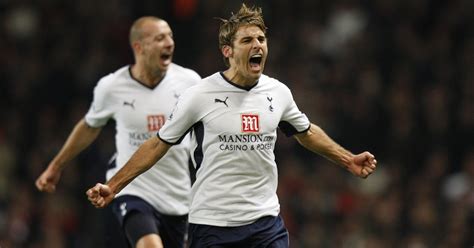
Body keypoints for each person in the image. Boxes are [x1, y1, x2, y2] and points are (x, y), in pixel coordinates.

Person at [86, 4, 377, 248]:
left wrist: (347, 159)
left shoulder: (278, 92)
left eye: (261, 39)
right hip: (214, 225)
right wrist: (114, 186)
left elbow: (307, 132)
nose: (258, 46)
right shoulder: (200, 95)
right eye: (247, 40)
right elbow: (157, 143)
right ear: (227, 51)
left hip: (265, 222)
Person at [36, 16, 201, 248]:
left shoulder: (190, 82)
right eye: (160, 38)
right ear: (139, 47)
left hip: (179, 197)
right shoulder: (112, 87)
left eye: (170, 36)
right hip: (133, 190)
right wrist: (56, 166)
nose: (169, 43)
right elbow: (89, 126)